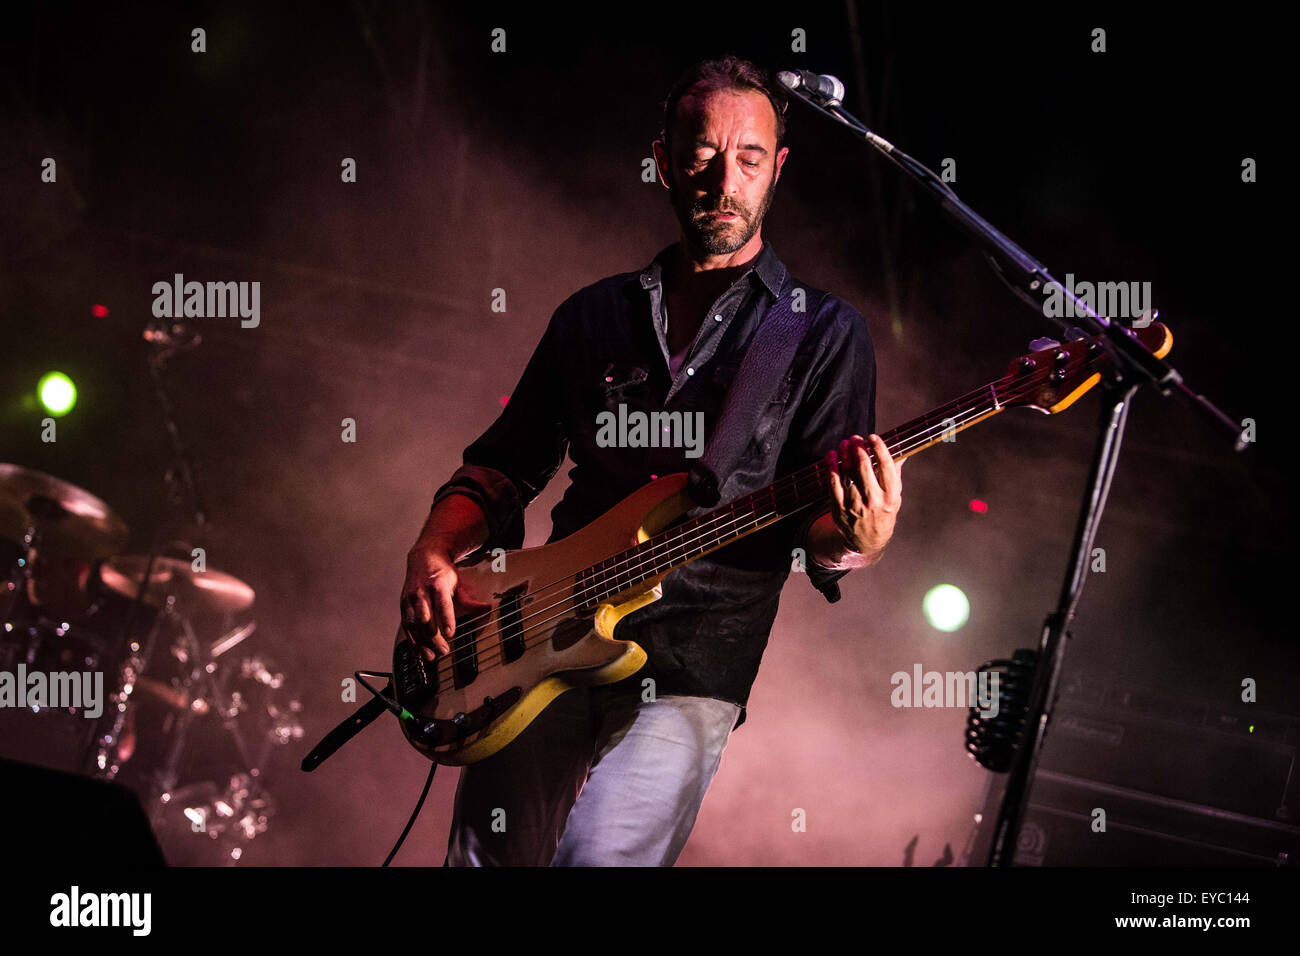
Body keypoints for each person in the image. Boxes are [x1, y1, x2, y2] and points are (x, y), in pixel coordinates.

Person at [400, 55, 903, 866]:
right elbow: (502, 465)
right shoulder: (594, 315)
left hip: (691, 664)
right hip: (540, 630)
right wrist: (434, 548)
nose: (724, 180)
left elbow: (824, 532)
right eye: (703, 154)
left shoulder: (819, 333)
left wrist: (862, 538)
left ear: (777, 170)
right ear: (665, 162)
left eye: (748, 159)